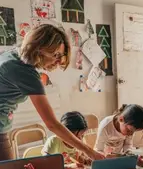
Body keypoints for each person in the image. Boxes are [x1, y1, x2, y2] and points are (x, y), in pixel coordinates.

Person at [0, 24, 103, 161]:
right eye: (56, 55)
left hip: (3, 125)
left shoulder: (13, 55)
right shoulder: (25, 73)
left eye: (61, 56)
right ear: (39, 49)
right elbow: (52, 124)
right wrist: (90, 151)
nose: (59, 61)